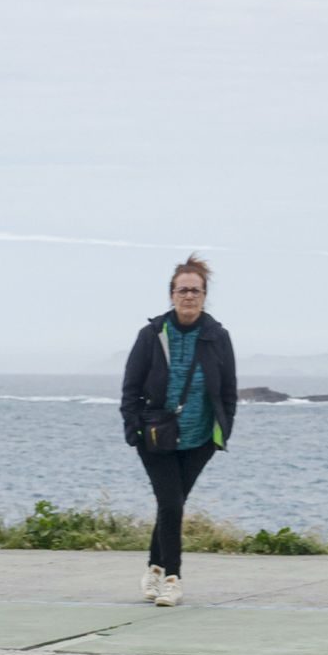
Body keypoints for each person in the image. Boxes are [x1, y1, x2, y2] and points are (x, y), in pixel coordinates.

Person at [120, 256, 237, 607]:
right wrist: (133, 431)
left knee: (172, 505)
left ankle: (154, 568)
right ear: (171, 294)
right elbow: (131, 388)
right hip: (156, 438)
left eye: (195, 290)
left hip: (199, 440)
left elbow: (228, 390)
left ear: (205, 295)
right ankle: (172, 577)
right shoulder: (152, 335)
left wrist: (223, 430)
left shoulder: (217, 337)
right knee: (171, 504)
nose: (189, 296)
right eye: (182, 290)